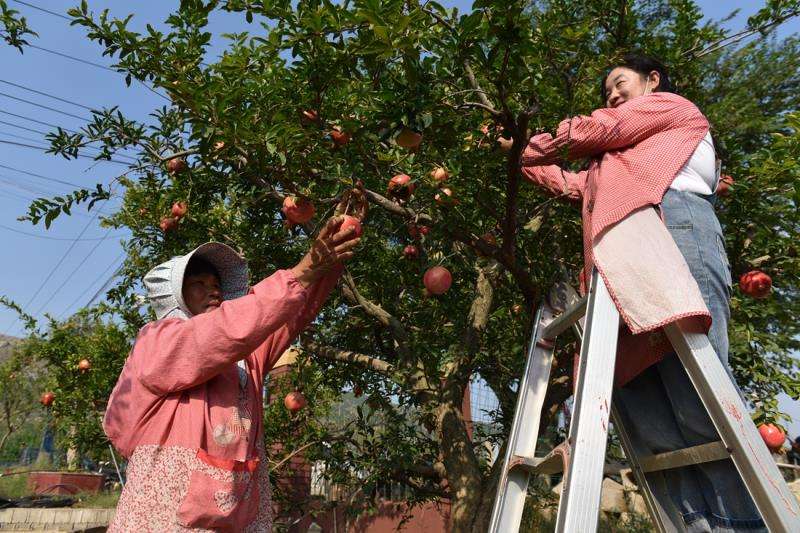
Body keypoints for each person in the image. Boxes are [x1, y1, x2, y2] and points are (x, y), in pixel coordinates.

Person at [521, 54, 767, 531]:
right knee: (653, 424)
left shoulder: (671, 108)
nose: (611, 96)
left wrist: (541, 141)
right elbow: (566, 180)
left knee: (700, 406)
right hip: (616, 262)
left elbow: (600, 128)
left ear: (653, 81)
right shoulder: (614, 170)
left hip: (670, 223)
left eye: (619, 83)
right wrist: (518, 152)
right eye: (607, 91)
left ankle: (743, 525)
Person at [103, 215, 359, 531]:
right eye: (198, 284)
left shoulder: (245, 357)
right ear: (174, 296)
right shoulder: (158, 342)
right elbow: (218, 333)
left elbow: (294, 310)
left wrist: (332, 255)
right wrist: (304, 269)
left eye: (216, 286)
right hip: (164, 516)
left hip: (236, 511)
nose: (213, 291)